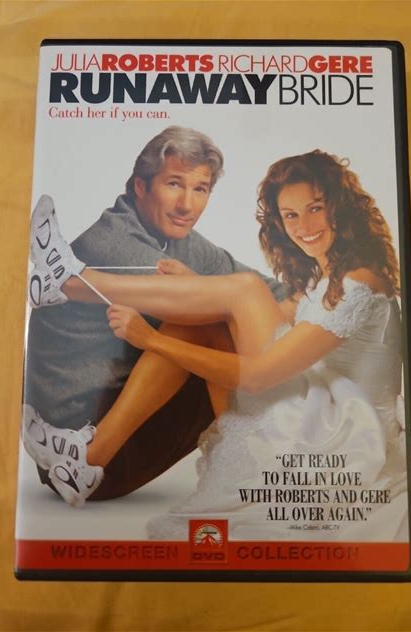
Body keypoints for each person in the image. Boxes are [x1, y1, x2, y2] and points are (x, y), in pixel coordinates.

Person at [24, 150, 407, 542]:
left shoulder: (361, 281)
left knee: (246, 289)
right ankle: (88, 459)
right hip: (307, 416)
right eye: (290, 215)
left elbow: (257, 377)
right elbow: (258, 316)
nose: (303, 226)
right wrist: (198, 287)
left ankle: (72, 283)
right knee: (200, 320)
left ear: (340, 207)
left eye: (315, 209)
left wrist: (151, 339)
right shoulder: (322, 282)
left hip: (330, 444)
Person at [23, 126, 289, 502]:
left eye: (200, 189)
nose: (187, 205)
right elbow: (241, 299)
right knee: (207, 317)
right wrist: (232, 298)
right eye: (174, 184)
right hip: (75, 448)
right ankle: (247, 463)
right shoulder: (114, 242)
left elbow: (277, 297)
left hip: (110, 451)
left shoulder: (185, 244)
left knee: (231, 307)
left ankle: (70, 281)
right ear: (140, 187)